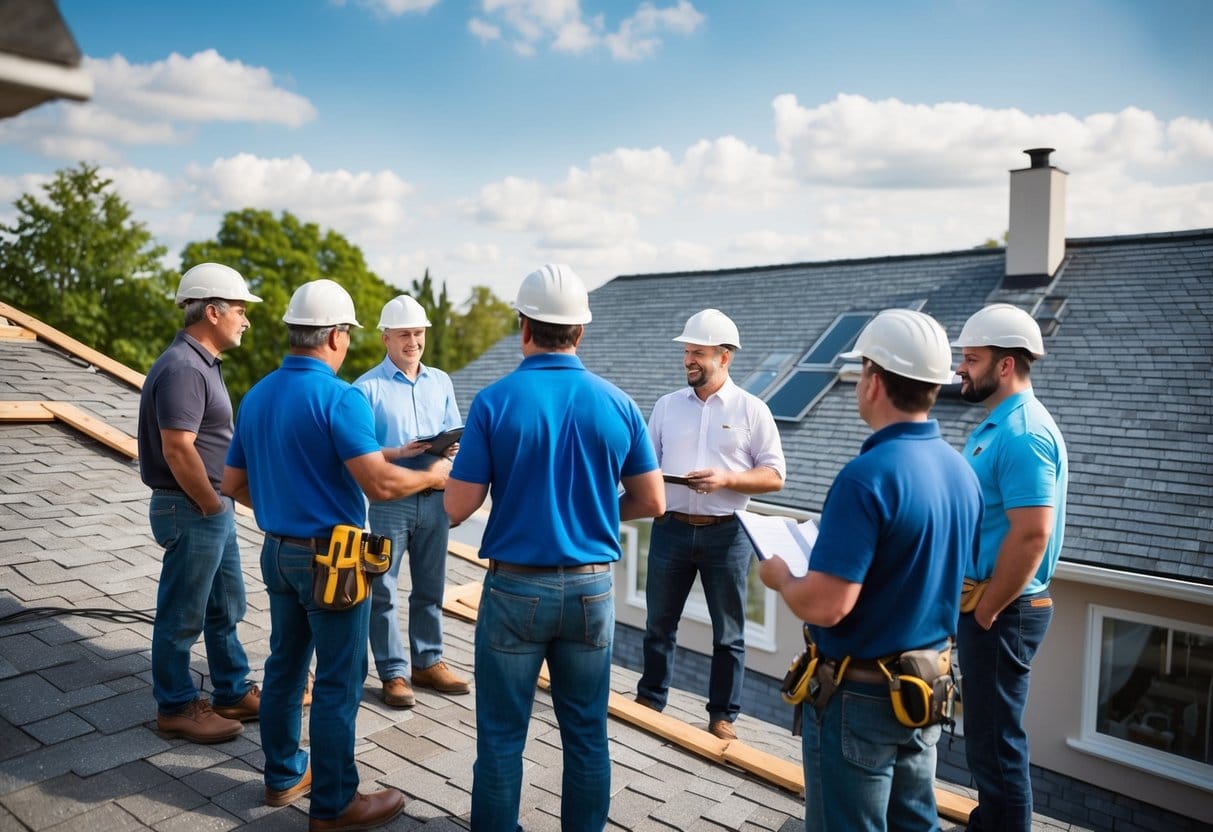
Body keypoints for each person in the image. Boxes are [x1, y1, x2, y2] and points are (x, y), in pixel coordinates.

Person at [221, 279, 450, 831]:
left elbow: (233, 481)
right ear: (335, 337)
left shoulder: (259, 393)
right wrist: (434, 474)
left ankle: (282, 777)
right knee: (338, 682)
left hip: (278, 553)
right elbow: (378, 487)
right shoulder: (341, 396)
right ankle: (334, 803)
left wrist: (287, 508)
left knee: (283, 668)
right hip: (335, 561)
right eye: (345, 332)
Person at [445, 264, 665, 832]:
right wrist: (593, 512)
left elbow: (457, 507)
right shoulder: (618, 403)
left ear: (524, 326)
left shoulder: (494, 402)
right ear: (580, 332)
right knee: (587, 732)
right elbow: (653, 501)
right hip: (592, 588)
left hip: (516, 588)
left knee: (500, 736)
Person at [758, 309, 982, 831]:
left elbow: (827, 606)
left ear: (874, 381)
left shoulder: (867, 479)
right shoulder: (961, 472)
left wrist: (782, 578)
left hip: (860, 699)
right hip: (924, 691)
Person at [636, 308, 785, 740]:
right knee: (658, 623)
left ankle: (723, 717)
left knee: (730, 633)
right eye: (686, 352)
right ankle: (650, 699)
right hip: (671, 527)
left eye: (698, 353)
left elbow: (775, 475)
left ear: (725, 356)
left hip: (727, 534)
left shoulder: (753, 410)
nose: (688, 360)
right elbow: (647, 465)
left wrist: (727, 479)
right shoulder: (666, 407)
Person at [952, 303, 1068, 832]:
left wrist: (987, 609)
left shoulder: (1022, 433)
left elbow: (1032, 533)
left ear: (1004, 366)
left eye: (971, 359)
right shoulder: (998, 425)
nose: (960, 368)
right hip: (994, 606)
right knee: (985, 737)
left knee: (998, 743)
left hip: (1004, 610)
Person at [138, 262, 262, 744]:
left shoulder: (199, 364)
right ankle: (175, 706)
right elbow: (177, 448)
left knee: (227, 605)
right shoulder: (185, 368)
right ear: (212, 312)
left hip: (209, 508)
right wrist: (212, 504)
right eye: (240, 309)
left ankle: (230, 690)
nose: (245, 319)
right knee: (182, 614)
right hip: (192, 507)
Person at [355, 295, 468, 709]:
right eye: (404, 334)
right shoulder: (365, 389)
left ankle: (428, 661)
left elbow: (454, 431)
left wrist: (447, 453)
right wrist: (399, 452)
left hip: (435, 497)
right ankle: (393, 673)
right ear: (385, 337)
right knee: (381, 589)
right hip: (389, 501)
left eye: (418, 333)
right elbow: (358, 451)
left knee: (431, 585)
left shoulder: (441, 381)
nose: (413, 341)